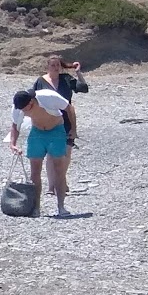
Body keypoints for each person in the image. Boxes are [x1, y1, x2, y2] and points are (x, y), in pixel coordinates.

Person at [8, 88, 72, 217]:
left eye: (26, 109)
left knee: (59, 169)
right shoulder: (18, 108)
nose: (25, 113)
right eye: (23, 111)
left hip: (56, 130)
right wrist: (13, 144)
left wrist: (73, 129)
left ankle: (61, 206)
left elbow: (69, 108)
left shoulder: (48, 97)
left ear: (32, 102)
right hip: (37, 133)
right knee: (35, 171)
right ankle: (36, 207)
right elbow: (15, 126)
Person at [34, 56, 88, 194]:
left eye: (58, 65)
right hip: (48, 121)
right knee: (51, 155)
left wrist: (78, 73)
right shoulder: (40, 82)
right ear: (48, 67)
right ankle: (52, 186)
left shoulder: (66, 79)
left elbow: (83, 88)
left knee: (66, 153)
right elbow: (33, 101)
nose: (56, 67)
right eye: (53, 65)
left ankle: (61, 181)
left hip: (67, 120)